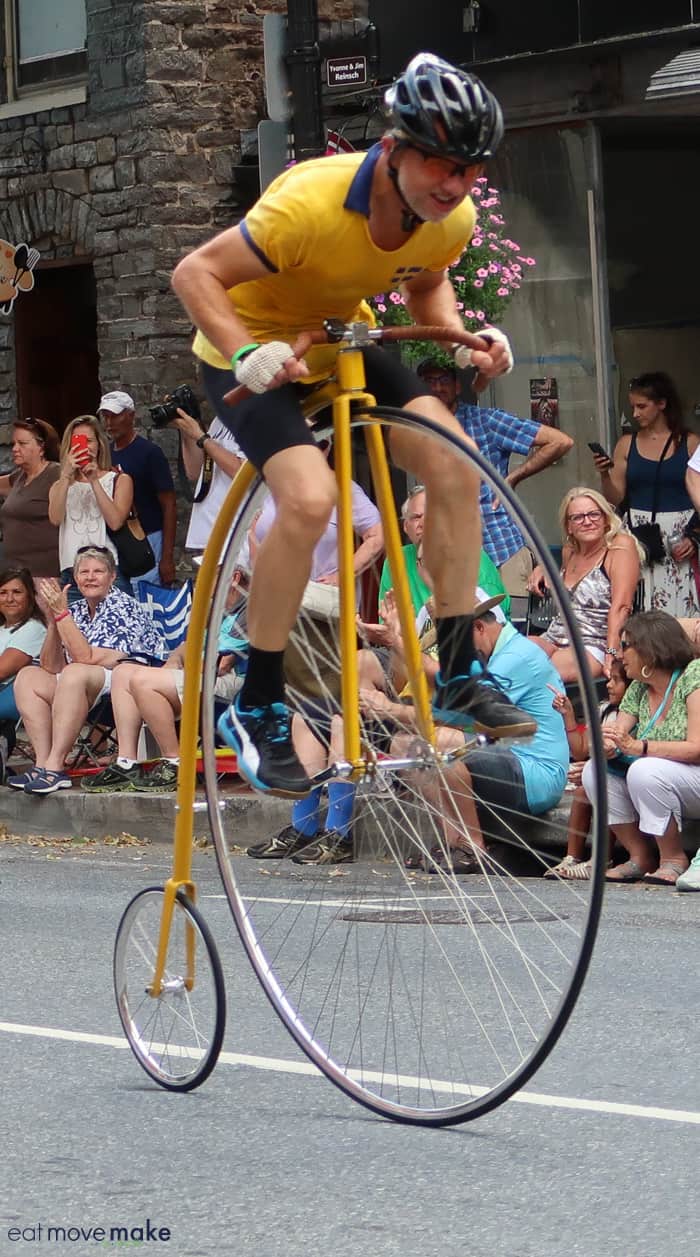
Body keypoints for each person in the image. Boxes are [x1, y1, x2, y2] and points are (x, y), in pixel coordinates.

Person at [172, 51, 535, 797]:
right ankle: (263, 696)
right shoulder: (308, 202)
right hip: (250, 348)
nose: (458, 186)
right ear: (396, 150)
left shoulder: (449, 218)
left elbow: (429, 290)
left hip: (344, 339)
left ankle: (462, 663)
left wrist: (465, 335)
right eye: (443, 165)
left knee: (456, 462)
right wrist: (244, 352)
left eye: (471, 170)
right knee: (307, 499)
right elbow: (193, 274)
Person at [366, 593, 569, 873]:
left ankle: (473, 847)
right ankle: (453, 842)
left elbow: (455, 714)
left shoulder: (516, 657)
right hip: (503, 755)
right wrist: (395, 639)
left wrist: (388, 708)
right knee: (403, 745)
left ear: (478, 627)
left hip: (534, 771)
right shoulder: (487, 651)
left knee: (442, 741)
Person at [417, 357, 573, 613]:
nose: (436, 387)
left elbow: (559, 441)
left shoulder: (486, 421)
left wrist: (514, 477)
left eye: (443, 380)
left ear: (458, 386)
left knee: (513, 629)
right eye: (429, 381)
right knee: (470, 636)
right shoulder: (418, 429)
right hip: (454, 558)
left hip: (500, 548)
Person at [7, 546, 166, 795]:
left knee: (76, 672)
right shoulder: (77, 609)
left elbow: (87, 658)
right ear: (76, 578)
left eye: (98, 571)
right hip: (80, 686)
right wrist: (52, 621)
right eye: (84, 572)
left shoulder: (124, 607)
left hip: (126, 686)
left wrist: (61, 614)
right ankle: (42, 764)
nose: (90, 577)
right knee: (29, 677)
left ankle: (56, 766)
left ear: (112, 576)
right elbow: (51, 666)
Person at [81, 565, 250, 794]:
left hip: (231, 685)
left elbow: (219, 665)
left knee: (143, 681)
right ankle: (127, 762)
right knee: (123, 673)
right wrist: (174, 662)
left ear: (235, 577)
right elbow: (186, 647)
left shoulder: (249, 610)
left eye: (207, 574)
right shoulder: (217, 611)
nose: (198, 582)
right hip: (200, 675)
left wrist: (181, 664)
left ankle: (175, 761)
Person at [581, 610, 700, 885]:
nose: (619, 655)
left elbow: (696, 748)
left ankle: (673, 858)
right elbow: (616, 734)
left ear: (650, 648)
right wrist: (607, 746)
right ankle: (640, 856)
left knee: (644, 770)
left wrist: (640, 746)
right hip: (664, 779)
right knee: (593, 770)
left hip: (693, 777)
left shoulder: (693, 675)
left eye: (625, 645)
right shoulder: (637, 688)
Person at [593, 371, 699, 616]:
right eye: (633, 407)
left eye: (642, 406)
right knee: (641, 602)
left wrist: (694, 537)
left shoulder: (690, 443)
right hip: (641, 534)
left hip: (680, 533)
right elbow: (615, 499)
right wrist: (605, 474)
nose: (635, 413)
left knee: (683, 601)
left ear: (662, 404)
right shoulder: (626, 444)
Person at [529, 488, 641, 681]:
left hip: (594, 643)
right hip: (555, 635)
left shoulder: (620, 546)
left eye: (594, 514)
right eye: (578, 517)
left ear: (606, 519)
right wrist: (544, 568)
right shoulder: (570, 550)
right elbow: (572, 591)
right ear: (568, 526)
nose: (587, 521)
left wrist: (612, 650)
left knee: (534, 673)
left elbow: (622, 606)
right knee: (512, 655)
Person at [544, 658, 628, 880]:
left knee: (597, 788)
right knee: (584, 792)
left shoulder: (635, 715)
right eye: (609, 679)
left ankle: (602, 859)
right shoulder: (604, 711)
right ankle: (573, 857)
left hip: (623, 775)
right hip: (602, 772)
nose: (609, 685)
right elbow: (581, 750)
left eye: (616, 681)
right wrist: (568, 714)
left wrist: (595, 767)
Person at [97, 390, 177, 588]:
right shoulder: (103, 454)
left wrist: (166, 557)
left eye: (115, 415)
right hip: (114, 541)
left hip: (148, 538)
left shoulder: (150, 453)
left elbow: (169, 504)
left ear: (131, 415)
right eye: (105, 416)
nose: (109, 422)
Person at [48, 415, 133, 591]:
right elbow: (55, 519)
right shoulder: (60, 485)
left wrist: (94, 480)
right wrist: (65, 475)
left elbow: (115, 522)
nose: (84, 447)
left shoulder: (119, 480)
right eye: (78, 442)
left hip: (108, 569)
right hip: (72, 571)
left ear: (99, 445)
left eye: (89, 441)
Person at [170, 405, 245, 562]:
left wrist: (201, 437)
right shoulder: (220, 420)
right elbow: (194, 471)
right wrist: (187, 431)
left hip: (237, 536)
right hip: (211, 534)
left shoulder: (255, 418)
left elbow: (242, 473)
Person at [0, 417, 61, 577]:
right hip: (16, 574)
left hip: (45, 574)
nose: (14, 448)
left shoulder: (56, 474)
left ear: (41, 448)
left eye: (22, 443)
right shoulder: (19, 476)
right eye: (14, 444)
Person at [0, 565, 47, 721]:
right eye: (3, 593)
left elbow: (1, 671)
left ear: (30, 596)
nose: (9, 599)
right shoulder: (2, 628)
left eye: (17, 592)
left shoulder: (33, 628)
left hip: (9, 695)